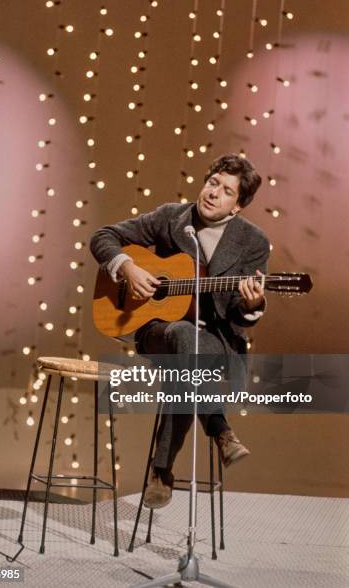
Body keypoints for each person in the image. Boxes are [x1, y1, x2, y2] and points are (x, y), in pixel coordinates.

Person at [90, 153, 269, 508]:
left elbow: (238, 313)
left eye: (227, 191)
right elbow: (103, 236)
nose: (214, 193)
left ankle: (162, 470)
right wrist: (127, 267)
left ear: (238, 206)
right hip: (157, 330)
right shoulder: (172, 217)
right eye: (213, 183)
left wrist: (251, 304)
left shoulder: (253, 242)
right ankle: (220, 430)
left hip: (216, 344)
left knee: (189, 356)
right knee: (185, 341)